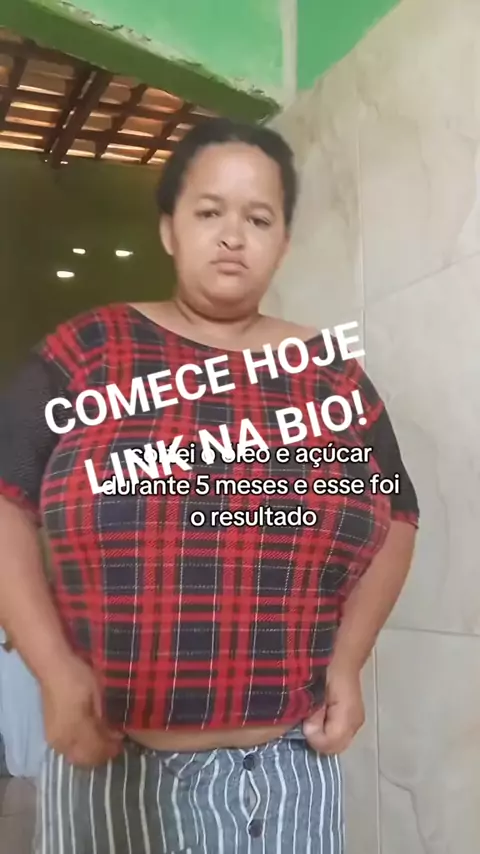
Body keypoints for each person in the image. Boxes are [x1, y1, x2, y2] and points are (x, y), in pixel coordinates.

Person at [0, 118, 419, 853]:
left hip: (292, 772)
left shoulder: (332, 376)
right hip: (116, 772)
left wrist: (348, 661)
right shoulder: (88, 351)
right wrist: (55, 672)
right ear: (169, 229)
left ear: (283, 242)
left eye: (258, 218)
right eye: (209, 211)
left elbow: (399, 514)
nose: (232, 236)